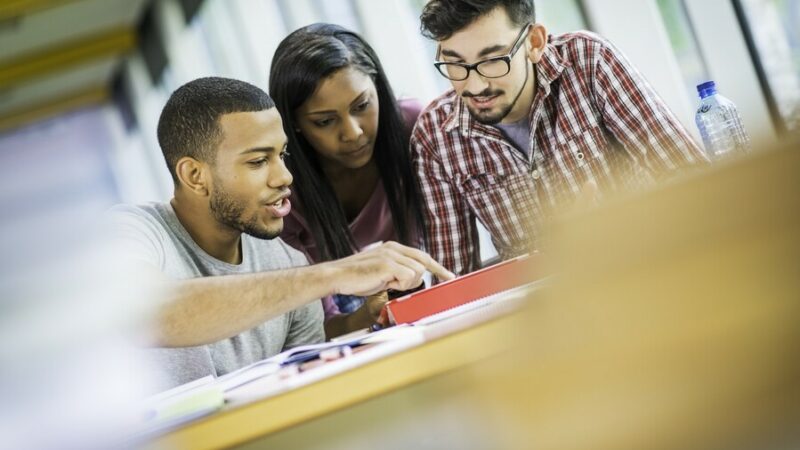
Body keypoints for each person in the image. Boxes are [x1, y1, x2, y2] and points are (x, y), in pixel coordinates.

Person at [107, 77, 453, 389]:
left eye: (282, 155)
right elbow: (146, 313)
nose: (285, 177)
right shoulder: (132, 231)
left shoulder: (285, 259)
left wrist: (370, 316)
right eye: (258, 161)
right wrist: (333, 274)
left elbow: (310, 387)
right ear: (195, 176)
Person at [411, 0, 708, 276]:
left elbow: (693, 184)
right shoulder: (435, 136)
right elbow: (452, 285)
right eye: (455, 65)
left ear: (534, 43)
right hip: (551, 315)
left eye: (492, 60)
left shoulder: (588, 61)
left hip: (648, 269)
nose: (474, 85)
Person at [269, 24, 427, 337]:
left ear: (377, 88)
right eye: (325, 121)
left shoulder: (413, 127)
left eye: (362, 105)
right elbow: (315, 326)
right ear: (294, 124)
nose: (353, 132)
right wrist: (368, 314)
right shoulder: (281, 189)